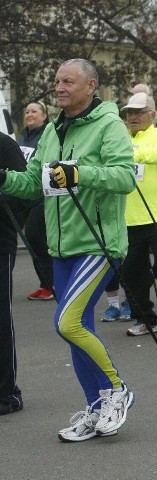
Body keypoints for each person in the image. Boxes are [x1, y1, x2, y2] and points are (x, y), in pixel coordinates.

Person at [0, 58, 135, 441]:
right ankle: (95, 407)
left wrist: (81, 172)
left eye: (68, 82)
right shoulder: (53, 130)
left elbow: (125, 176)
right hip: (62, 248)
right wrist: (3, 178)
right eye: (56, 80)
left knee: (68, 322)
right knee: (75, 329)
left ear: (91, 85)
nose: (58, 87)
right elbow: (32, 183)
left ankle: (117, 390)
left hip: (99, 243)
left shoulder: (109, 125)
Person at [117, 92, 157, 337]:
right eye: (129, 113)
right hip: (128, 216)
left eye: (138, 112)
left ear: (152, 115)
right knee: (132, 272)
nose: (132, 117)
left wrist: (130, 155)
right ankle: (144, 318)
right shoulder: (120, 138)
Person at [0, 132, 28, 415]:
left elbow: (23, 196)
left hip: (0, 244)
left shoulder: (4, 146)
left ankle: (6, 392)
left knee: (0, 320)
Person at [18, 101, 54, 301]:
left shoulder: (46, 136)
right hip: (24, 195)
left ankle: (51, 284)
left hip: (41, 196)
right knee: (32, 242)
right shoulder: (23, 136)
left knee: (36, 237)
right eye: (27, 112)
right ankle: (44, 284)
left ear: (44, 116)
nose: (29, 115)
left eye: (34, 111)